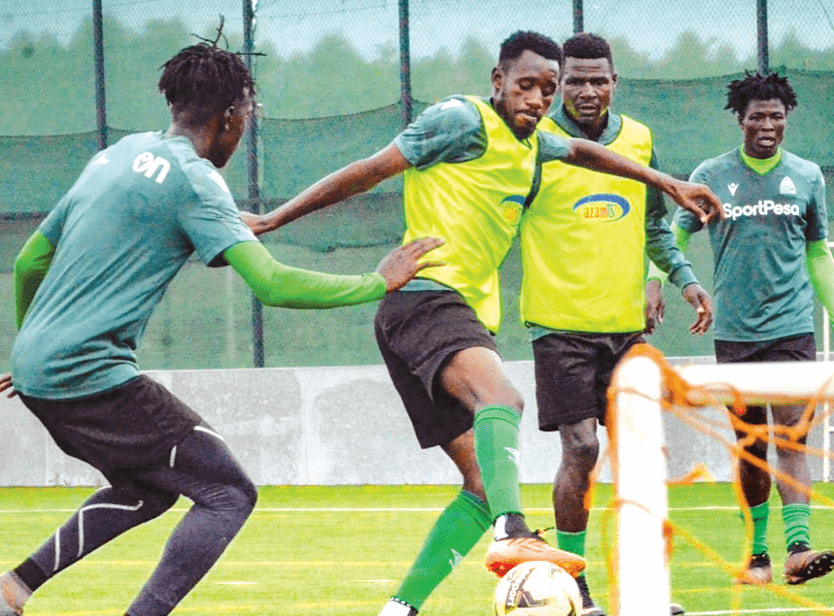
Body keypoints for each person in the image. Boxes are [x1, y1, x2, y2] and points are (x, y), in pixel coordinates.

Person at [242, 30, 722, 616]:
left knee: (477, 484)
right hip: (424, 299)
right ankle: (511, 530)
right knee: (504, 399)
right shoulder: (459, 120)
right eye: (526, 85)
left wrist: (665, 183)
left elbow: (588, 153)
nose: (538, 99)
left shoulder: (534, 144)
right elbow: (369, 171)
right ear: (497, 81)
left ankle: (400, 608)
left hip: (451, 316)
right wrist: (273, 220)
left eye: (548, 89)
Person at [0, 41, 443, 616]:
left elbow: (31, 260)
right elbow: (274, 286)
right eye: (246, 120)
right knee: (228, 493)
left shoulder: (117, 153)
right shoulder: (197, 180)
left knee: (150, 489)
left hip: (39, 370)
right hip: (90, 374)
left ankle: (14, 587)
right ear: (232, 116)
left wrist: (34, 345)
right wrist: (376, 282)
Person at [520, 33, 707, 616]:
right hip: (559, 327)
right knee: (580, 448)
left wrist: (681, 277)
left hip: (627, 331)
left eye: (598, 79)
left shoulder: (640, 140)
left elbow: (655, 227)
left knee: (641, 459)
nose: (586, 90)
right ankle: (574, 587)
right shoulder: (534, 146)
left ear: (614, 82)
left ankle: (645, 591)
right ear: (557, 85)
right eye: (573, 80)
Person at [663, 70, 834, 586]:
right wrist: (676, 281)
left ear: (787, 121)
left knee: (793, 438)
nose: (766, 124)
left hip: (793, 330)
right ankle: (756, 555)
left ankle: (798, 549)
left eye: (775, 116)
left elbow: (817, 253)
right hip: (736, 335)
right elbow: (673, 233)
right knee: (752, 447)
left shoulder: (807, 177)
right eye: (756, 115)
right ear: (739, 119)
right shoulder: (711, 174)